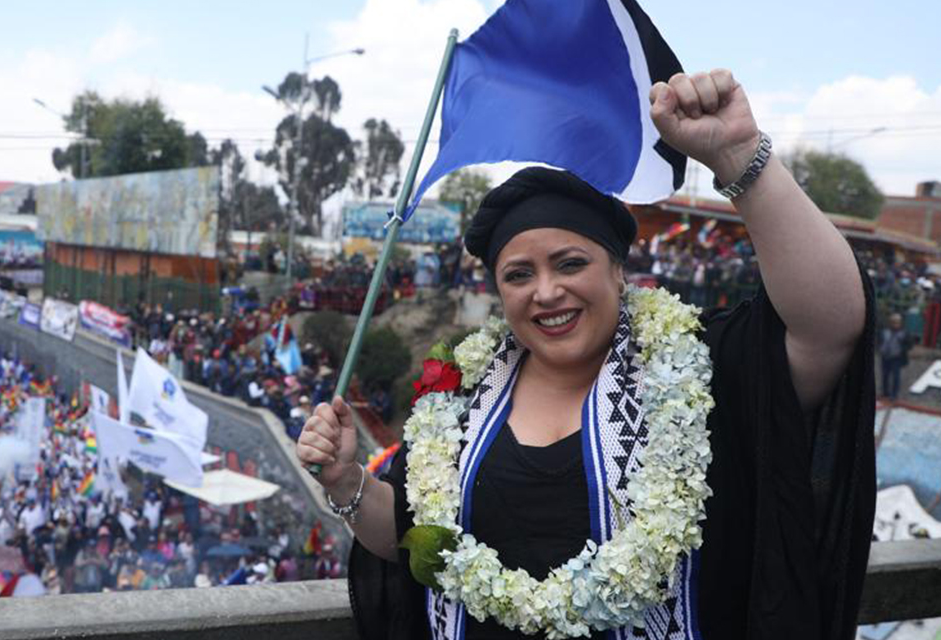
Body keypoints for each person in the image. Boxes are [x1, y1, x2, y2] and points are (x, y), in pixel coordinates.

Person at [298, 69, 875, 639]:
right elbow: (409, 539)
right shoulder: (458, 397)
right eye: (518, 275)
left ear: (618, 272)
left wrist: (739, 156)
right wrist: (348, 481)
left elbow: (830, 324)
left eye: (570, 263)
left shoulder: (702, 369)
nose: (546, 291)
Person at [878, 312, 913, 399]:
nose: (894, 324)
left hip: (896, 358)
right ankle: (885, 392)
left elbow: (909, 344)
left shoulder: (904, 333)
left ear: (900, 323)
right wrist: (879, 348)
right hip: (885, 356)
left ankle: (894, 394)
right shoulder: (885, 331)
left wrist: (901, 350)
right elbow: (879, 340)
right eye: (893, 322)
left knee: (895, 376)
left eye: (896, 322)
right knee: (884, 375)